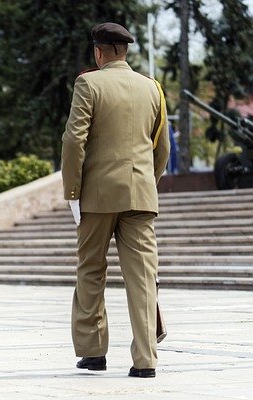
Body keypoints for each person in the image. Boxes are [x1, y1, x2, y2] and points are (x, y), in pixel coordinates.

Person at [61, 22, 170, 378]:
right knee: (142, 277)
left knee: (91, 270)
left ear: (99, 51)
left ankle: (94, 353)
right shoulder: (152, 88)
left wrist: (73, 193)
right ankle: (145, 360)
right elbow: (162, 146)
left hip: (96, 196)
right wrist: (147, 183)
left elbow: (74, 141)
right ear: (125, 50)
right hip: (140, 194)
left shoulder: (89, 83)